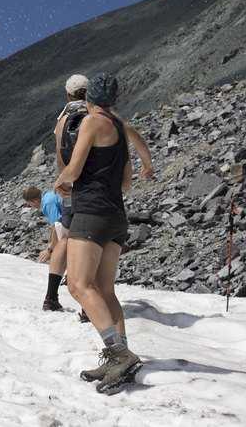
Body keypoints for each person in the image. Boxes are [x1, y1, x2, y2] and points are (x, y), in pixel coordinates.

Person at [54, 73, 143, 395]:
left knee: (78, 285)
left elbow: (74, 169)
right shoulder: (119, 125)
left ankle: (119, 354)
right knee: (105, 290)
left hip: (91, 213)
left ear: (90, 96)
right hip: (116, 215)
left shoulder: (92, 122)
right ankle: (120, 356)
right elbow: (127, 178)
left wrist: (62, 180)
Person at [47, 73, 155, 316]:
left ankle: (52, 296)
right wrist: (147, 165)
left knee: (68, 241)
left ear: (68, 94)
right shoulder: (108, 118)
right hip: (104, 196)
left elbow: (60, 154)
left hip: (73, 189)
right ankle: (91, 309)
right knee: (95, 247)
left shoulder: (63, 120)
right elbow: (134, 137)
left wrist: (62, 179)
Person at [22, 186, 68, 310]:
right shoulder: (49, 197)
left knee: (60, 252)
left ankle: (51, 299)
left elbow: (57, 225)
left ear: (34, 201)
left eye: (30, 204)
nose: (32, 207)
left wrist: (50, 249)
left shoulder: (47, 203)